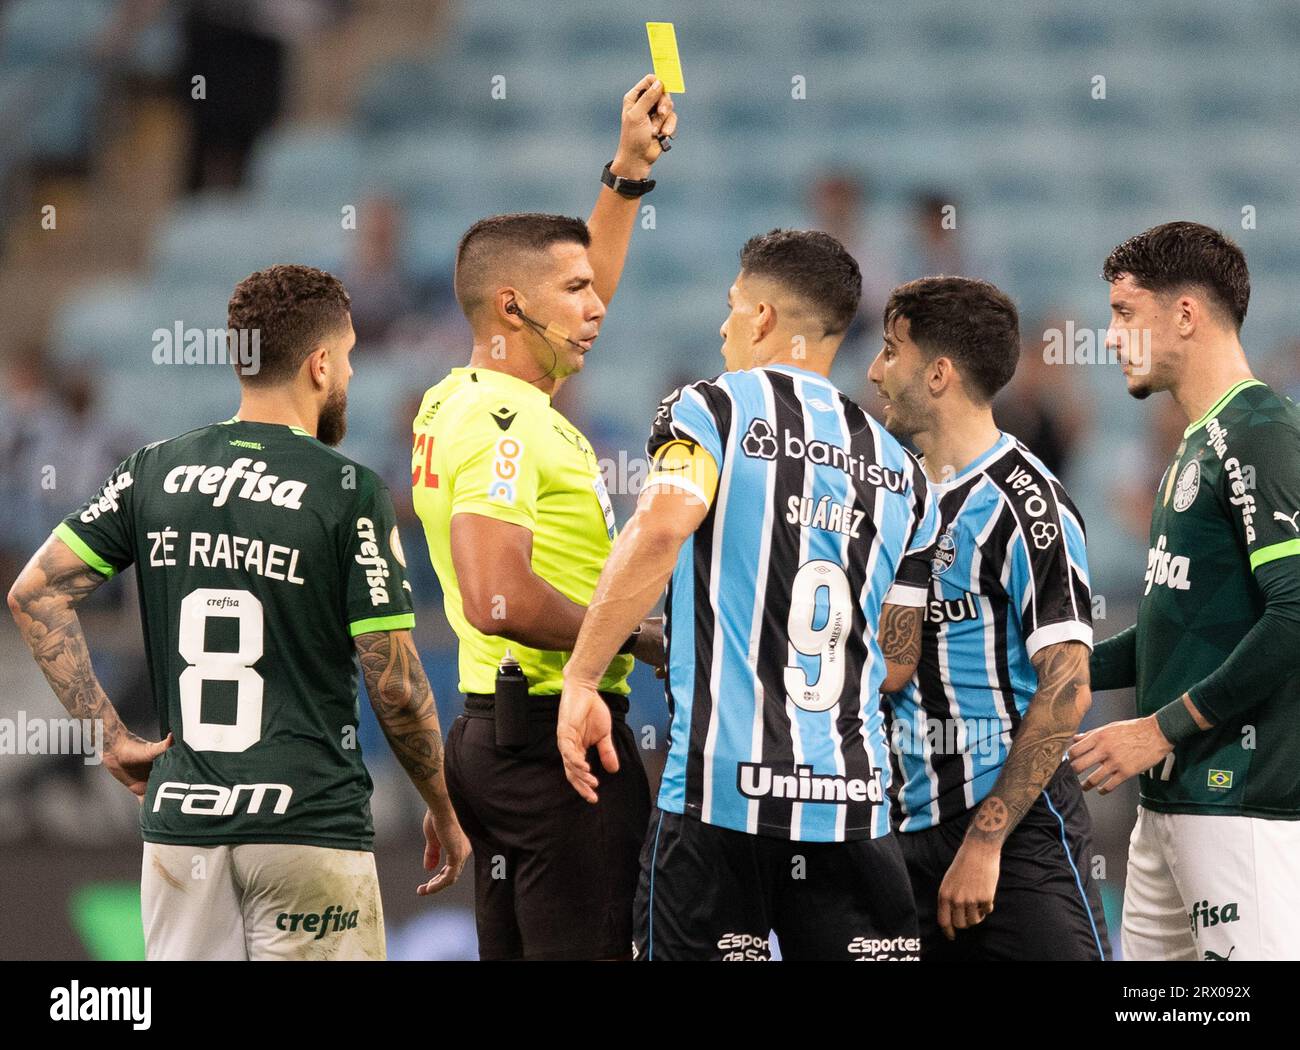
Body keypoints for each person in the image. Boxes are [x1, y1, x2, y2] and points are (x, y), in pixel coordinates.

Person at [7, 264, 468, 961]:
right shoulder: (347, 490)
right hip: (308, 825)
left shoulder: (152, 470)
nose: (347, 376)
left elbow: (34, 592)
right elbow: (395, 684)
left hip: (182, 836)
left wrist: (107, 734)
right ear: (318, 364)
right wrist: (442, 803)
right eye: (345, 359)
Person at [559, 229, 937, 961]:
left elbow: (663, 526)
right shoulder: (903, 471)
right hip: (851, 810)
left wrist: (582, 675)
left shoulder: (711, 410)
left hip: (721, 800)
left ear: (762, 317)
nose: (723, 325)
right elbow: (894, 664)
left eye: (733, 307)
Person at [410, 77, 677, 960]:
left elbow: (582, 272)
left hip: (496, 734)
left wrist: (628, 174)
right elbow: (495, 598)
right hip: (554, 754)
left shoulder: (469, 395)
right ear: (512, 308)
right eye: (574, 291)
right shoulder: (507, 421)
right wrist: (634, 636)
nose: (597, 305)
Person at [1072, 221, 1300, 961]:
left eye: (1124, 312)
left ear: (1185, 315)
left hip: (1241, 804)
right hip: (1169, 803)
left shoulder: (1260, 431)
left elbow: (1295, 614)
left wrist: (1155, 730)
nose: (1110, 337)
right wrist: (1073, 665)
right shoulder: (1196, 444)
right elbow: (1180, 627)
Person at [867, 275, 1109, 960]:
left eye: (891, 352)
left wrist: (986, 839)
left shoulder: (1026, 504)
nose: (875, 371)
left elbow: (1067, 691)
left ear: (939, 373)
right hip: (904, 832)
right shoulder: (897, 495)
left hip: (1013, 833)